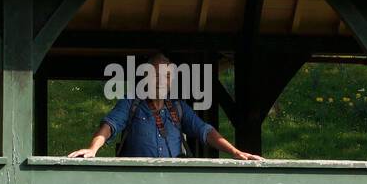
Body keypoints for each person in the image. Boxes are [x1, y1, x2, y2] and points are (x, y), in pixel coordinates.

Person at [67, 54, 263, 160]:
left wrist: (235, 152)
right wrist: (92, 149)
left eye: (167, 76)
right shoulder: (131, 103)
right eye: (156, 75)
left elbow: (205, 131)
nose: (162, 80)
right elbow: (110, 125)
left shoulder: (178, 108)